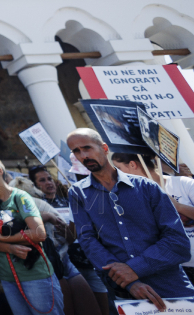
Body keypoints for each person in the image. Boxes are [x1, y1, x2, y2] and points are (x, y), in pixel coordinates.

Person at [67, 129, 194, 311]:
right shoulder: (77, 193)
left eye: (87, 148)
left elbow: (178, 242)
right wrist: (128, 282)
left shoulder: (147, 187)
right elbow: (88, 241)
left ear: (104, 148)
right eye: (76, 151)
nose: (83, 155)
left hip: (171, 286)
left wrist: (134, 269)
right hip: (123, 293)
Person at [0, 154, 65, 315]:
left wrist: (4, 238)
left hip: (35, 275)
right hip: (8, 278)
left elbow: (39, 233)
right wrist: (10, 247)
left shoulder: (20, 197)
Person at [28, 166, 108, 315]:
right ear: (34, 185)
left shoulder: (68, 200)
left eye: (49, 178)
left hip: (87, 260)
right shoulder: (35, 206)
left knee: (102, 305)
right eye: (42, 180)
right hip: (64, 263)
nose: (48, 183)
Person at [110, 153, 194, 286]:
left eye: (118, 167)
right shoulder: (130, 193)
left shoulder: (184, 183)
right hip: (169, 266)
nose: (116, 173)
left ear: (132, 164)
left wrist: (177, 206)